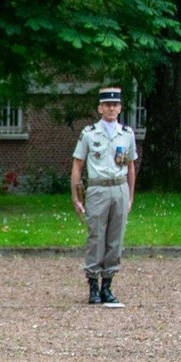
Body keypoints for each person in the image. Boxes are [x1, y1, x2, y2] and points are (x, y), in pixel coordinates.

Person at [71, 86, 138, 307]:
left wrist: (130, 196)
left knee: (115, 238)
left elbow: (130, 166)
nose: (111, 108)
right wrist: (75, 196)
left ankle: (107, 285)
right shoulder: (89, 134)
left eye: (115, 105)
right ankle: (92, 285)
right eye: (107, 105)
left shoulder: (127, 134)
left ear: (120, 108)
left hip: (119, 188)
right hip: (98, 189)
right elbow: (78, 165)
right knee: (95, 236)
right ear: (100, 108)